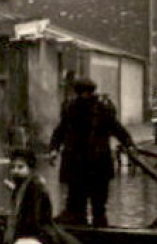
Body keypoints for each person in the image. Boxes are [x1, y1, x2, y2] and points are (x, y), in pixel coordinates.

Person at [47, 77, 136, 227]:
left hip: (98, 164)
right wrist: (53, 149)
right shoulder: (71, 109)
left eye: (86, 93)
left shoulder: (102, 110)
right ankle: (79, 229)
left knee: (98, 205)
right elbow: (60, 131)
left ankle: (99, 231)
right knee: (76, 205)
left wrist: (129, 144)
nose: (83, 96)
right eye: (81, 93)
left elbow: (116, 128)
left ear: (91, 93)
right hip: (77, 165)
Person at [4, 146, 58, 244]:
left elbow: (35, 219)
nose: (15, 171)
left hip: (39, 236)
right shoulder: (20, 187)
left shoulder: (36, 188)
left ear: (30, 169)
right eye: (13, 167)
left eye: (20, 167)